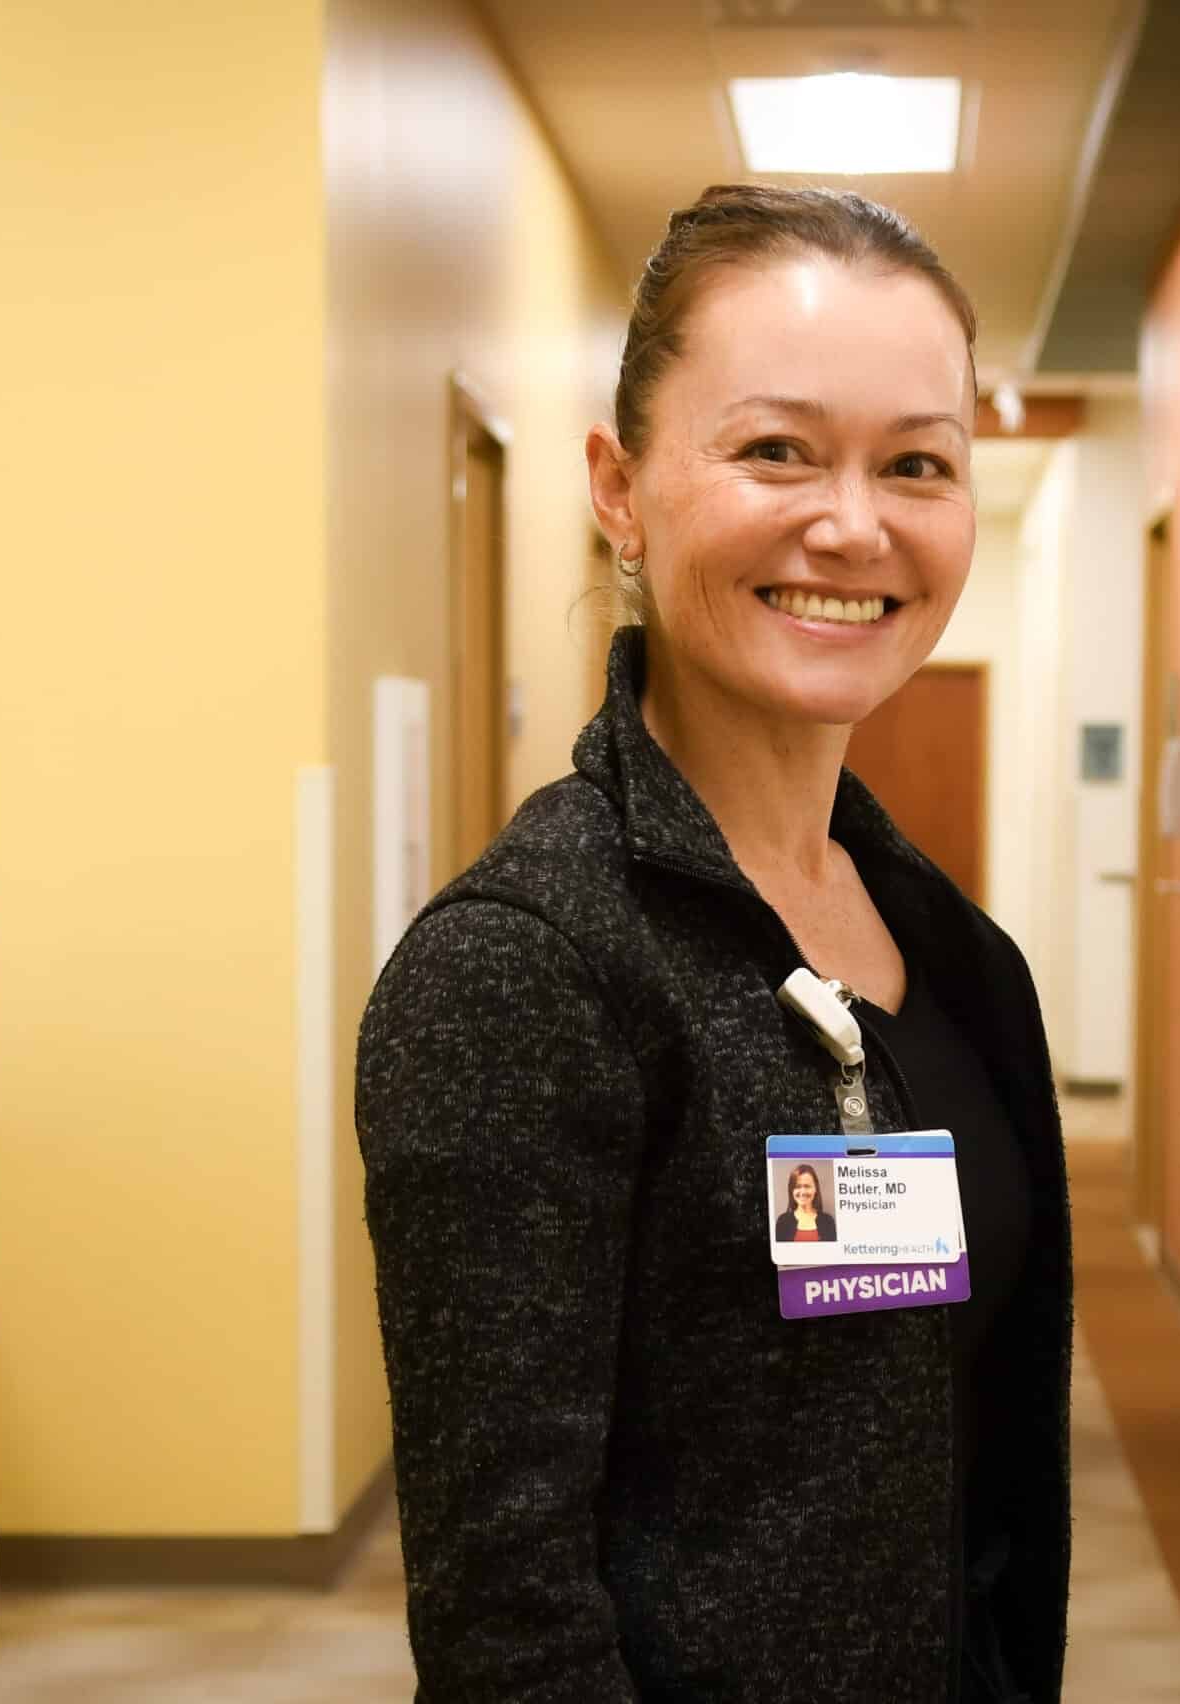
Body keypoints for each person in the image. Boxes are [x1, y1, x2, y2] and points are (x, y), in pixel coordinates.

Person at [357, 183, 1072, 1703]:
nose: (855, 525)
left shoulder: (956, 954)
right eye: (776, 450)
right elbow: (508, 1623)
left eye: (918, 464)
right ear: (621, 485)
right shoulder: (531, 970)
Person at [774, 1162, 836, 1243]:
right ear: (791, 1190)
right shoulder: (783, 1222)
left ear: (815, 1189)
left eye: (807, 1186)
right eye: (797, 1187)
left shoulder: (828, 1221)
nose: (802, 1192)